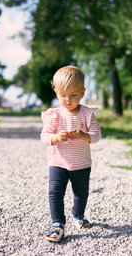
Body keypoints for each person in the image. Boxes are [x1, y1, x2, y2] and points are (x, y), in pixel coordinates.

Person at [40, 66, 101, 242]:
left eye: (73, 95)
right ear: (56, 92)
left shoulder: (87, 114)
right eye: (63, 95)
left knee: (81, 193)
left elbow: (97, 136)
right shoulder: (53, 115)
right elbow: (44, 136)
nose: (68, 100)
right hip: (58, 161)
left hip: (81, 163)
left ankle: (78, 215)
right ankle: (57, 223)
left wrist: (84, 136)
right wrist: (56, 137)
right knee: (55, 192)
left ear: (82, 93)